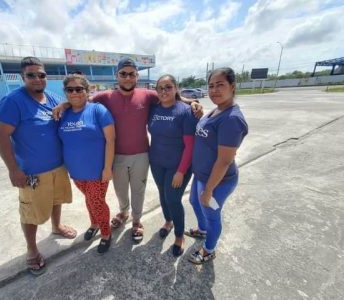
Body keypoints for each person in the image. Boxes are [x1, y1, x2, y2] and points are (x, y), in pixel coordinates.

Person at [54, 57, 203, 243]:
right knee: (121, 190)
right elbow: (82, 99)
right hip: (117, 155)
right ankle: (124, 213)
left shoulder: (147, 95)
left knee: (138, 190)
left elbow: (172, 96)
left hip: (141, 154)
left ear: (136, 76)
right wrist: (64, 104)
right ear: (117, 75)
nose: (127, 78)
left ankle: (137, 221)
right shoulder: (106, 97)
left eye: (131, 74)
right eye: (123, 74)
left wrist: (193, 103)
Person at [0, 56, 76, 275]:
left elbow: (71, 103)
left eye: (41, 75)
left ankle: (56, 227)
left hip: (58, 166)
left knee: (57, 200)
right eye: (31, 75)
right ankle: (32, 250)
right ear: (22, 77)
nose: (37, 79)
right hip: (32, 171)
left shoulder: (50, 97)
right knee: (31, 213)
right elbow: (0, 135)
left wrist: (66, 103)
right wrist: (13, 169)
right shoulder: (13, 101)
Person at [186, 67, 248, 264]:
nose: (214, 90)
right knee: (195, 203)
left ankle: (209, 249)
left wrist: (209, 189)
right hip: (201, 175)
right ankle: (202, 231)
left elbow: (224, 161)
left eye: (220, 85)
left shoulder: (231, 119)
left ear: (232, 86)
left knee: (212, 214)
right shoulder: (217, 109)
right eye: (211, 86)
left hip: (218, 181)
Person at [58, 74, 116, 254]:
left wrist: (107, 168)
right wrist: (64, 105)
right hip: (76, 171)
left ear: (87, 90)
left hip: (97, 171)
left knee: (97, 202)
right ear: (65, 92)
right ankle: (95, 223)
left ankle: (106, 233)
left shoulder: (98, 110)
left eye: (79, 89)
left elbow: (111, 140)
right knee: (89, 200)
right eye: (70, 89)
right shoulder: (63, 113)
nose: (74, 92)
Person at [148, 74, 198, 256]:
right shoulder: (153, 109)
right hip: (156, 162)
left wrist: (181, 171)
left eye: (168, 87)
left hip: (178, 165)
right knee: (163, 193)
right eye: (160, 88)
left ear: (176, 88)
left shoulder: (185, 111)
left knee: (173, 199)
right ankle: (168, 221)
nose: (164, 91)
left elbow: (190, 145)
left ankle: (179, 235)